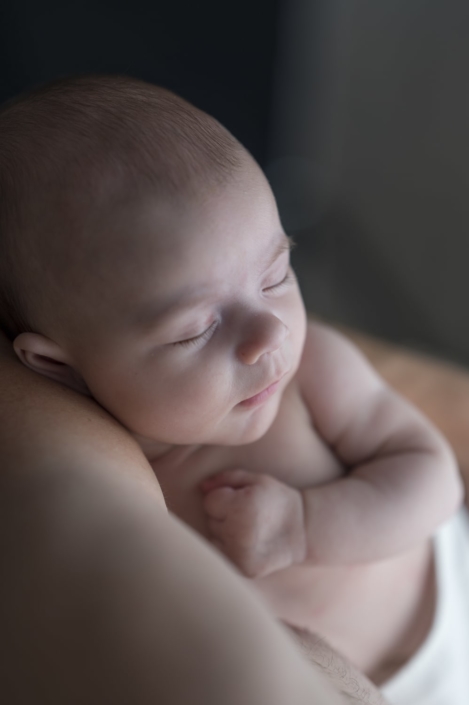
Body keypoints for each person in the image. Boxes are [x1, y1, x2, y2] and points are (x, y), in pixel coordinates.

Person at [0, 74, 465, 701]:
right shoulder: (112, 476)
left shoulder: (312, 372)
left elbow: (434, 477)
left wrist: (307, 523)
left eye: (276, 276)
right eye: (196, 330)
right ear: (58, 368)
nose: (268, 334)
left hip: (448, 598)